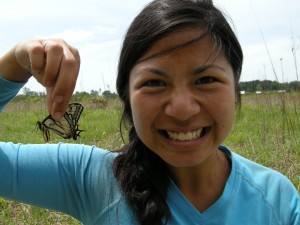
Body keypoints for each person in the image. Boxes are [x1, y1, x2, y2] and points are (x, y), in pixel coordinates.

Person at [0, 0, 299, 224]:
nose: (182, 109)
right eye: (155, 83)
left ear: (235, 89)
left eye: (205, 80)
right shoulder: (92, 179)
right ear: (127, 99)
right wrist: (15, 62)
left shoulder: (277, 201)